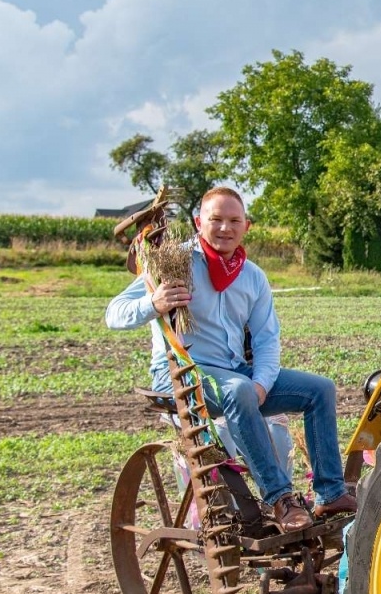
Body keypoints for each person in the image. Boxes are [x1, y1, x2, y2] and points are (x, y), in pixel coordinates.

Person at [104, 186, 356, 532]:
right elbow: (113, 314)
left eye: (234, 220)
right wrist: (154, 303)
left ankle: (330, 493)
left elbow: (267, 339)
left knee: (319, 389)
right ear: (198, 222)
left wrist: (262, 385)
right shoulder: (173, 262)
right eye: (216, 219)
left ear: (246, 226)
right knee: (238, 390)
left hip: (233, 373)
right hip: (180, 375)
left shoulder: (252, 276)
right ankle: (280, 499)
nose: (225, 228)